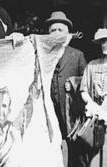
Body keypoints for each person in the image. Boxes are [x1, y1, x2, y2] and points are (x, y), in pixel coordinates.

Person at [46, 11, 87, 139]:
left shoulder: (77, 55)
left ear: (67, 34)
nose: (57, 33)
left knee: (74, 149)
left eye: (60, 30)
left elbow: (87, 81)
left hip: (70, 112)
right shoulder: (43, 56)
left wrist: (74, 82)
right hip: (49, 111)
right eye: (53, 30)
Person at [80, 28, 107, 167]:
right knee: (94, 157)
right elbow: (83, 90)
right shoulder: (92, 65)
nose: (105, 44)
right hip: (96, 119)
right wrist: (91, 104)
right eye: (102, 41)